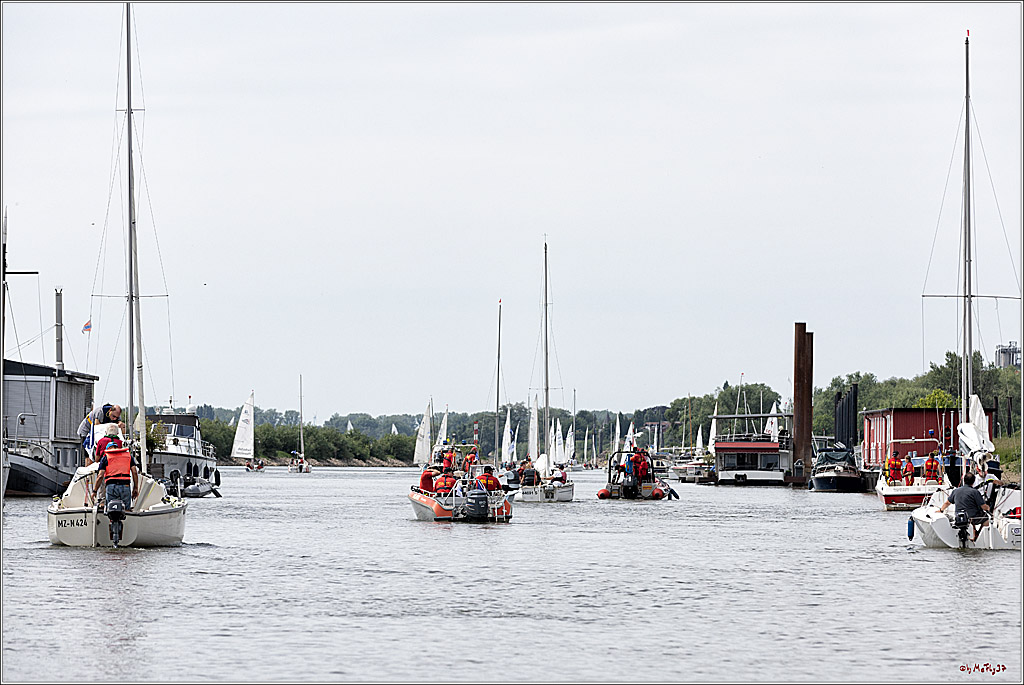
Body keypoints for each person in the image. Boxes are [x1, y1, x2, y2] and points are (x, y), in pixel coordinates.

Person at [938, 472, 991, 541]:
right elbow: (983, 506)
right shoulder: (975, 492)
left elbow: (947, 503)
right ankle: (978, 535)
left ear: (964, 480)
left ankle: (973, 533)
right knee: (986, 519)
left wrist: (941, 510)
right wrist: (988, 508)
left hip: (959, 517)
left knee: (972, 517)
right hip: (972, 517)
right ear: (973, 481)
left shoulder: (955, 491)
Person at [91, 446, 141, 510]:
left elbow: (100, 476)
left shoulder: (106, 457)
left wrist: (95, 491)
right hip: (125, 485)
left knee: (111, 509)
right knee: (126, 510)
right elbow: (134, 472)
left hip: (111, 486)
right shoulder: (129, 456)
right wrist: (135, 488)